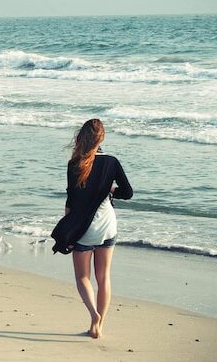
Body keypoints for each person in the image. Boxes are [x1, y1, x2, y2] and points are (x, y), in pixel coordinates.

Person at [51, 119, 132, 339]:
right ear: (102, 138)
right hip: (108, 226)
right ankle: (98, 326)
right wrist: (111, 190)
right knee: (103, 277)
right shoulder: (112, 162)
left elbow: (71, 200)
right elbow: (128, 192)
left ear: (82, 137)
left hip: (84, 228)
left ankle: (93, 315)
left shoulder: (74, 163)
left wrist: (68, 229)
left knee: (82, 278)